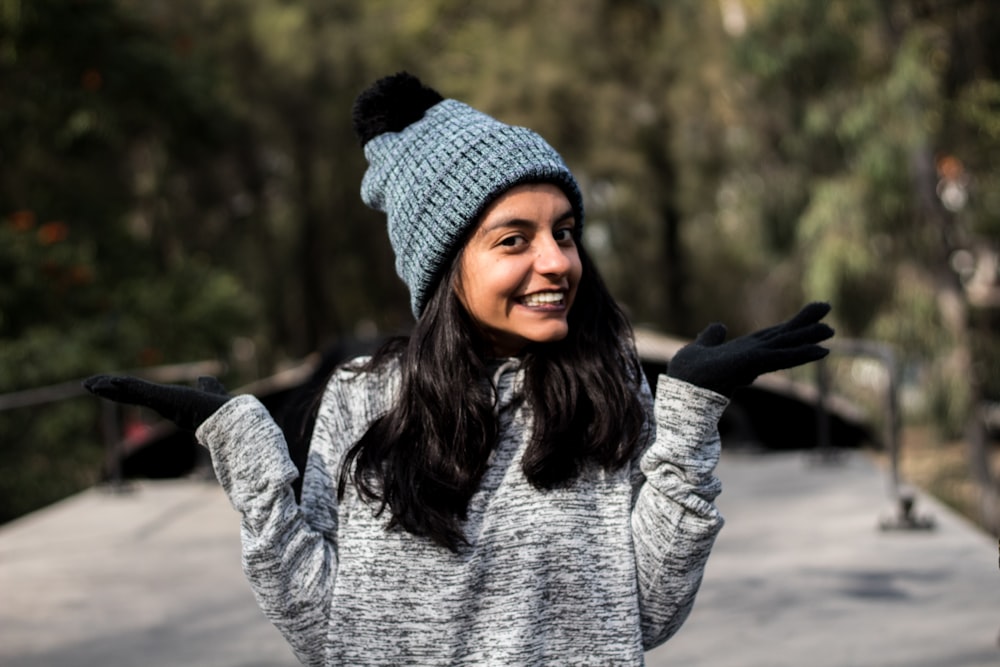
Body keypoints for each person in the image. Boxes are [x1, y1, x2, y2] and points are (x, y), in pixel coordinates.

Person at [85, 72, 834, 666]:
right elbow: (325, 634)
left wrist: (689, 419)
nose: (557, 261)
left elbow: (646, 615)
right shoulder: (358, 399)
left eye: (565, 232)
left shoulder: (603, 389)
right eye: (515, 239)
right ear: (447, 267)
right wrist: (244, 451)